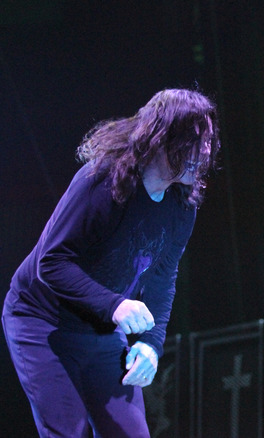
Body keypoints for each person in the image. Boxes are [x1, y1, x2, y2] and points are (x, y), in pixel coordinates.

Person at [3, 88, 221, 437]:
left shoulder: (183, 204)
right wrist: (115, 305)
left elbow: (163, 275)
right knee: (67, 431)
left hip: (102, 331)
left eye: (210, 141)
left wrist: (151, 342)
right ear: (163, 137)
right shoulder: (103, 181)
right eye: (197, 139)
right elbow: (52, 262)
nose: (206, 151)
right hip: (44, 323)